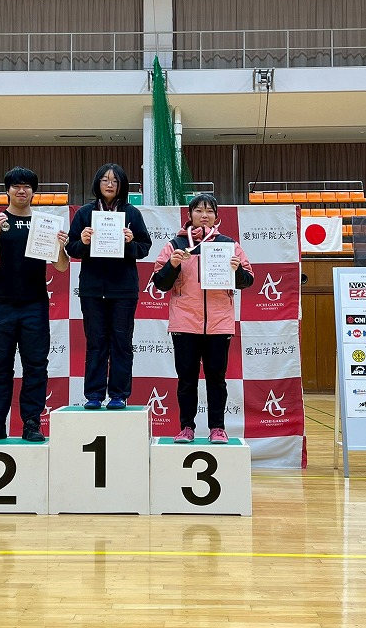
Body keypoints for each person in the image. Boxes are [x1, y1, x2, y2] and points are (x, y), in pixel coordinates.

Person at [0, 166, 69, 442]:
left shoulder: (44, 223)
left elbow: (61, 267)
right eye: (16, 186)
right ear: (8, 190)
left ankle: (32, 424)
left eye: (27, 186)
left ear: (34, 192)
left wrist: (61, 247)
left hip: (35, 305)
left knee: (36, 366)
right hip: (1, 305)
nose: (22, 190)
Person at [152, 194, 254, 444]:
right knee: (186, 380)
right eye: (199, 210)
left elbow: (248, 280)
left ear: (216, 217)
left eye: (209, 211)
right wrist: (172, 264)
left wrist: (237, 270)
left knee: (216, 380)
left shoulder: (229, 245)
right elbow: (160, 283)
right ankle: (186, 427)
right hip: (185, 322)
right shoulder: (176, 244)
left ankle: (217, 428)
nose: (204, 215)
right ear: (190, 215)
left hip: (219, 323)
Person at [67, 163, 152, 409]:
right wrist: (83, 242)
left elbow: (144, 249)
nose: (110, 184)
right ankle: (93, 395)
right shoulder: (85, 213)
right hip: (92, 289)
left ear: (122, 185)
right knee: (95, 343)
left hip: (124, 290)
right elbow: (71, 249)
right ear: (98, 183)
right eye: (105, 180)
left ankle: (118, 394)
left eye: (115, 181)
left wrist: (130, 242)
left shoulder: (132, 213)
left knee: (121, 343)